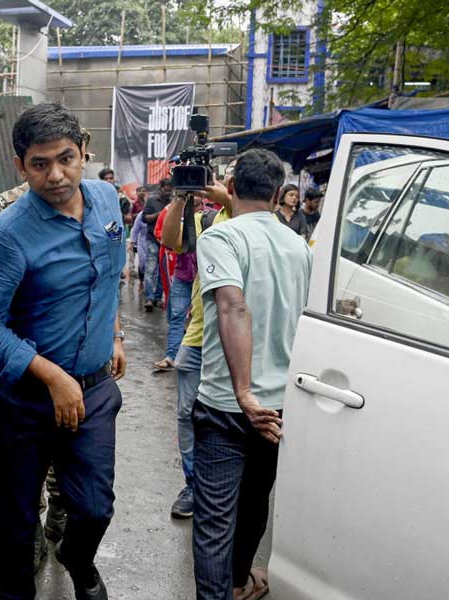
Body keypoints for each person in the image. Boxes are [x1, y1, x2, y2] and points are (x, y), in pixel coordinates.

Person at [0, 102, 126, 600]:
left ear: (83, 152)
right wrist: (52, 376)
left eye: (66, 159)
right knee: (17, 521)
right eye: (40, 164)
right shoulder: (6, 237)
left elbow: (107, 274)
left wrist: (115, 333)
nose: (56, 175)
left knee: (95, 508)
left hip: (95, 392)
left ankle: (78, 559)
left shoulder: (106, 200)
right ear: (21, 166)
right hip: (28, 400)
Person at [192, 149, 312, 600]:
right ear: (280, 193)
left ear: (233, 188)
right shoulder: (299, 246)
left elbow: (232, 305)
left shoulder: (222, 238)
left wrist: (243, 391)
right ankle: (240, 582)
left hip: (228, 402)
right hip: (279, 405)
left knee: (214, 519)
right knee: (255, 502)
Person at [161, 160, 236, 520]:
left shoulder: (238, 216)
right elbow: (170, 241)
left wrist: (224, 196)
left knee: (227, 413)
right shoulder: (204, 219)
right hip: (196, 335)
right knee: (186, 412)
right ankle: (193, 483)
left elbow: (247, 214)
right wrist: (180, 198)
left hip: (233, 336)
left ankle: (223, 484)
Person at [153, 193, 203, 373]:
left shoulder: (212, 216)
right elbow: (165, 239)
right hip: (183, 275)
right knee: (177, 317)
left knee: (201, 319)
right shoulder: (175, 212)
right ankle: (171, 356)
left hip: (203, 278)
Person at [142, 178, 173, 311]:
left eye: (169, 191)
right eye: (165, 190)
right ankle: (149, 298)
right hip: (152, 240)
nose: (167, 193)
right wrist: (160, 215)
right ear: (160, 188)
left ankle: (158, 298)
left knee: (163, 271)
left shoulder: (173, 203)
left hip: (166, 241)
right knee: (150, 270)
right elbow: (145, 218)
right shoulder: (152, 201)